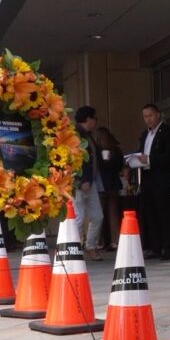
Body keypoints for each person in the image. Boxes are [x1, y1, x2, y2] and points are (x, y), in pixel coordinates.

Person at [136, 103, 170, 260]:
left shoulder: (167, 132)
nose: (148, 119)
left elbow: (169, 156)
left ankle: (168, 247)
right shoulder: (144, 135)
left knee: (164, 213)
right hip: (147, 178)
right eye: (145, 117)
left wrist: (149, 159)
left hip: (162, 178)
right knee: (150, 214)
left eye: (150, 116)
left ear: (158, 114)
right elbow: (142, 152)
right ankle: (155, 247)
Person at [73, 106, 105, 260]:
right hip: (79, 183)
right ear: (88, 119)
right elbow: (75, 161)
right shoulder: (75, 135)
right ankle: (73, 247)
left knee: (97, 216)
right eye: (94, 118)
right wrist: (79, 180)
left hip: (90, 182)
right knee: (78, 217)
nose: (95, 122)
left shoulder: (88, 135)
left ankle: (90, 246)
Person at [94, 126, 125, 251]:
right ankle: (115, 241)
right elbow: (119, 166)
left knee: (98, 214)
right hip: (114, 184)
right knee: (113, 214)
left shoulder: (99, 150)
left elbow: (101, 167)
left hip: (102, 184)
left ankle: (99, 241)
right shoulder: (116, 150)